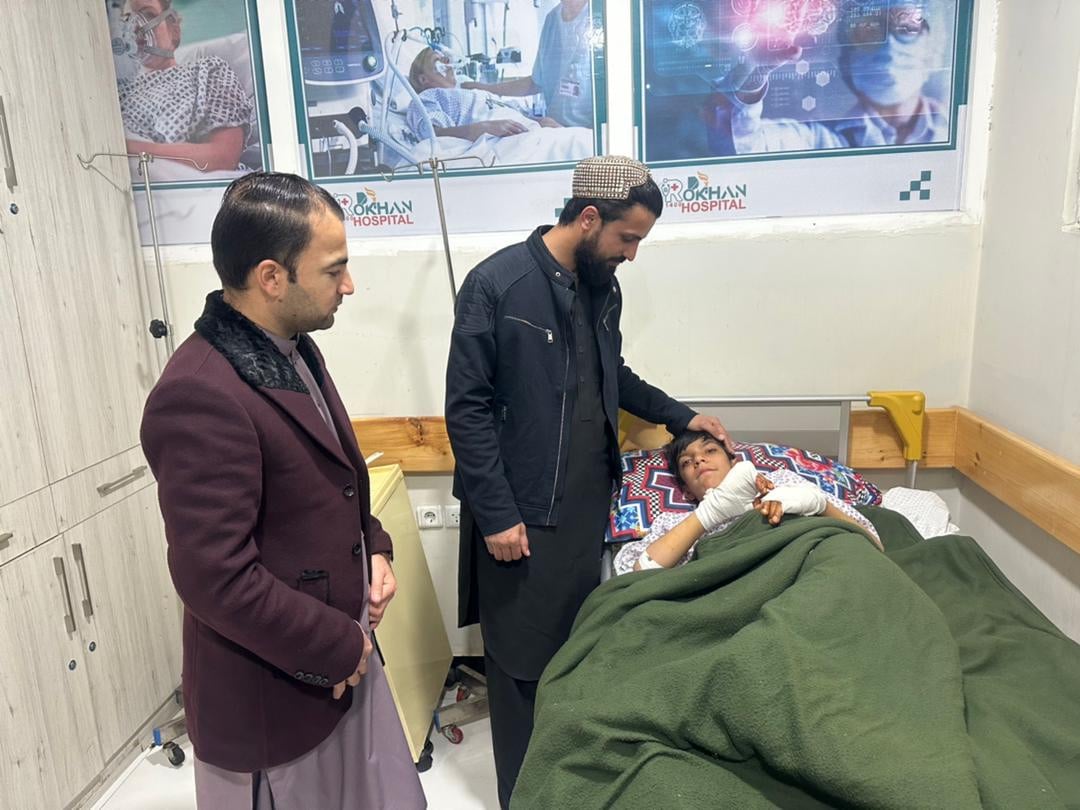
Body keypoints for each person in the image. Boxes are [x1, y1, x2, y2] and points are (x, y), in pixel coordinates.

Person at [444, 155, 728, 808]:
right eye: (627, 238)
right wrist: (495, 514)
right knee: (518, 674)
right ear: (590, 217)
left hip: (582, 513)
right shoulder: (498, 286)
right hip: (520, 518)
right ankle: (523, 798)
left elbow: (613, 376)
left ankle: (567, 789)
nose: (631, 255)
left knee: (569, 662)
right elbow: (467, 408)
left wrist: (680, 415)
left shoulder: (604, 291)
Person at [140, 173, 424, 809]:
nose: (348, 286)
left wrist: (373, 544)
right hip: (280, 690)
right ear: (273, 277)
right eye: (334, 270)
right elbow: (215, 578)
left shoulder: (290, 347)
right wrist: (338, 644)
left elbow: (331, 474)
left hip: (336, 664)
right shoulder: (200, 393)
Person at [614, 431, 882, 575]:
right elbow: (638, 573)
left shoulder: (783, 482)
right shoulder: (675, 523)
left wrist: (818, 504)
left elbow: (871, 545)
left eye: (709, 451)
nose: (699, 460)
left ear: (734, 462)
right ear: (684, 490)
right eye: (687, 461)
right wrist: (709, 514)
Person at [711, 1, 949, 155]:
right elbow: (744, 145)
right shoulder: (819, 141)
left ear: (932, 47)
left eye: (906, 28)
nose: (889, 46)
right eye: (868, 31)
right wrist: (754, 76)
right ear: (846, 62)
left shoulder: (964, 126)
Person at [113, 0, 253, 172]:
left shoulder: (207, 71)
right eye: (127, 20)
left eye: (148, 14)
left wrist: (127, 148)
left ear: (174, 29)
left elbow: (223, 157)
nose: (135, 27)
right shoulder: (118, 90)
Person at [462, 0, 594, 129]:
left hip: (591, 138)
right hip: (554, 131)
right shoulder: (552, 20)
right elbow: (536, 82)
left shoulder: (602, 15)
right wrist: (484, 88)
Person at [406, 46, 560, 141]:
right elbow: (432, 134)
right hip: (501, 137)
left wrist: (535, 120)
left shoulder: (470, 92)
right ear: (423, 79)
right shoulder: (426, 98)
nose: (447, 62)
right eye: (437, 61)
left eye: (445, 58)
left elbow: (501, 109)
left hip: (525, 127)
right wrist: (481, 128)